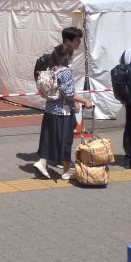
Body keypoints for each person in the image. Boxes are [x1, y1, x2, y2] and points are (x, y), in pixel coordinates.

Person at [33, 44, 94, 180]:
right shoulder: (65, 71)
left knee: (48, 138)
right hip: (62, 112)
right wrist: (85, 101)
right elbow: (69, 94)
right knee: (66, 141)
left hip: (49, 110)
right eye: (71, 55)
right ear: (67, 56)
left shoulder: (52, 68)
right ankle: (65, 171)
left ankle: (43, 162)